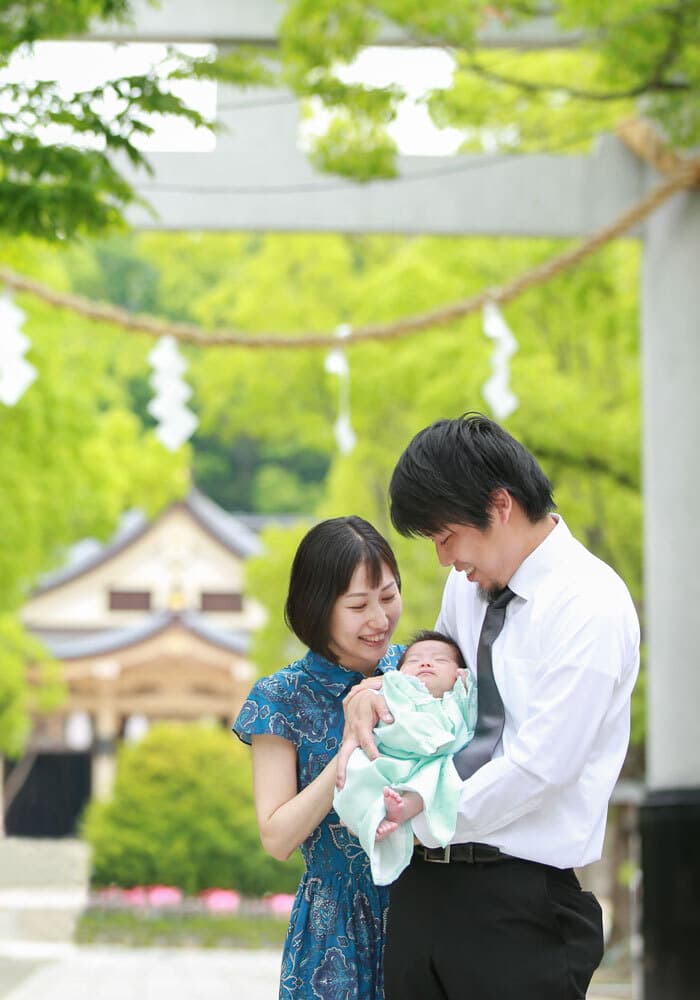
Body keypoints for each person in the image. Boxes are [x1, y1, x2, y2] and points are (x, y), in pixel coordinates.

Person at [337, 413, 640, 1000]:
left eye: (446, 536)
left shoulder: (590, 605)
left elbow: (541, 767)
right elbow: (437, 696)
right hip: (424, 893)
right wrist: (375, 694)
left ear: (500, 505)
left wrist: (421, 813)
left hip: (518, 905)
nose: (443, 559)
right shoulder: (467, 588)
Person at [233, 516, 403, 1000]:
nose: (380, 619)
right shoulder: (280, 698)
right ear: (318, 607)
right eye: (359, 605)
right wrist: (349, 749)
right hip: (335, 927)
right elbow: (277, 836)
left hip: (424, 911)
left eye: (389, 596)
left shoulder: (415, 672)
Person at [333, 631, 476, 886]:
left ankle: (400, 810)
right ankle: (368, 817)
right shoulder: (393, 692)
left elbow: (467, 726)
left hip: (431, 762)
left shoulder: (458, 698)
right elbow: (385, 721)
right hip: (390, 759)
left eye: (440, 660)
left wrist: (467, 688)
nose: (426, 663)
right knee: (356, 772)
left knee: (439, 777)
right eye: (414, 660)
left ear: (459, 673)